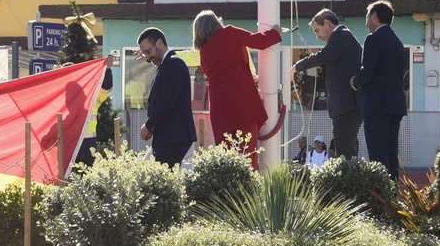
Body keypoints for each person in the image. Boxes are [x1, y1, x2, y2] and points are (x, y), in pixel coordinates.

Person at [192, 10, 281, 170]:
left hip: (220, 111)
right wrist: (275, 32)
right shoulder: (229, 33)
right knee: (248, 156)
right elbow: (259, 41)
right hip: (242, 105)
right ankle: (250, 186)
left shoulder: (203, 52)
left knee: (228, 161)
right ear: (215, 22)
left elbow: (221, 74)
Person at [292, 9, 363, 159]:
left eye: (317, 30)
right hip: (346, 105)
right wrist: (322, 68)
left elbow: (323, 55)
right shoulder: (342, 38)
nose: (317, 36)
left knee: (345, 152)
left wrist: (297, 66)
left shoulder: (341, 35)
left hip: (347, 105)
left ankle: (347, 174)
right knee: (344, 149)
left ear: (327, 23)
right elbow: (338, 69)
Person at [351, 0, 408, 180]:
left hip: (377, 105)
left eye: (367, 16)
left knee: (378, 155)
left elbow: (368, 71)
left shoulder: (373, 38)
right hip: (395, 104)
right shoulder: (397, 41)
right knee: (391, 153)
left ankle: (381, 193)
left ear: (375, 16)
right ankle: (393, 191)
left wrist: (355, 81)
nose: (366, 21)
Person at [136, 28, 195, 167]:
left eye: (148, 51)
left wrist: (149, 126)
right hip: (170, 137)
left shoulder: (173, 64)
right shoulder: (166, 65)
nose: (147, 57)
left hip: (174, 137)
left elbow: (166, 101)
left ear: (159, 43)